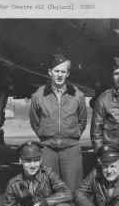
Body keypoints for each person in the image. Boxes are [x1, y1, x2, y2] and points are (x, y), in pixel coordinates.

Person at [29, 53, 87, 191]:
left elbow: (82, 119)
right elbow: (34, 120)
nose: (60, 75)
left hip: (71, 148)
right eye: (56, 71)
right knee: (47, 188)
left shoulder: (78, 95)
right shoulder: (38, 95)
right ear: (50, 72)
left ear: (67, 74)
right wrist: (46, 135)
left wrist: (74, 135)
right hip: (48, 149)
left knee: (74, 189)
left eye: (63, 71)